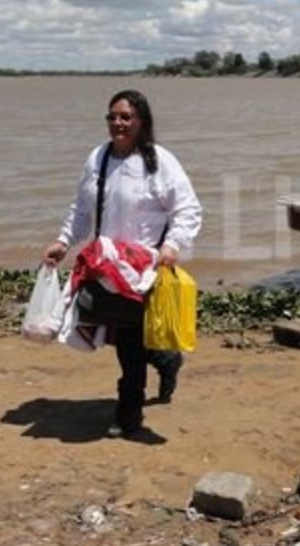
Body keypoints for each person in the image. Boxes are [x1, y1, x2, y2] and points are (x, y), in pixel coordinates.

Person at [43, 89, 202, 440]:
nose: (118, 123)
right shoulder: (97, 158)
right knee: (107, 325)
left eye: (126, 117)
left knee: (129, 342)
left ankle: (128, 414)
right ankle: (165, 360)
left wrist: (173, 245)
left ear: (141, 121)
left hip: (143, 271)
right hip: (104, 266)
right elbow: (81, 210)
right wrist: (64, 242)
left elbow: (187, 209)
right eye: (112, 117)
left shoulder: (160, 162)